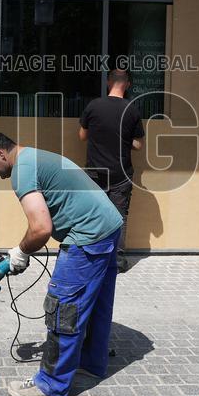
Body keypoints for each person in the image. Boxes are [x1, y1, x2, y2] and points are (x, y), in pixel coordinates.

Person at [0, 131, 123, 396]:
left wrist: (19, 252)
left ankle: (52, 386)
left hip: (88, 235)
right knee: (97, 304)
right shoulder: (34, 157)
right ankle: (91, 363)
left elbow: (41, 228)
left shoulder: (23, 170)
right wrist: (22, 249)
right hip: (109, 225)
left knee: (64, 308)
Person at [79, 69, 145, 273]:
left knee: (92, 212)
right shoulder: (131, 110)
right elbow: (138, 145)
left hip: (94, 171)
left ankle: (90, 256)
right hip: (121, 172)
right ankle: (116, 261)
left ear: (109, 83)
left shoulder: (94, 106)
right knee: (119, 216)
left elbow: (82, 136)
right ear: (128, 85)